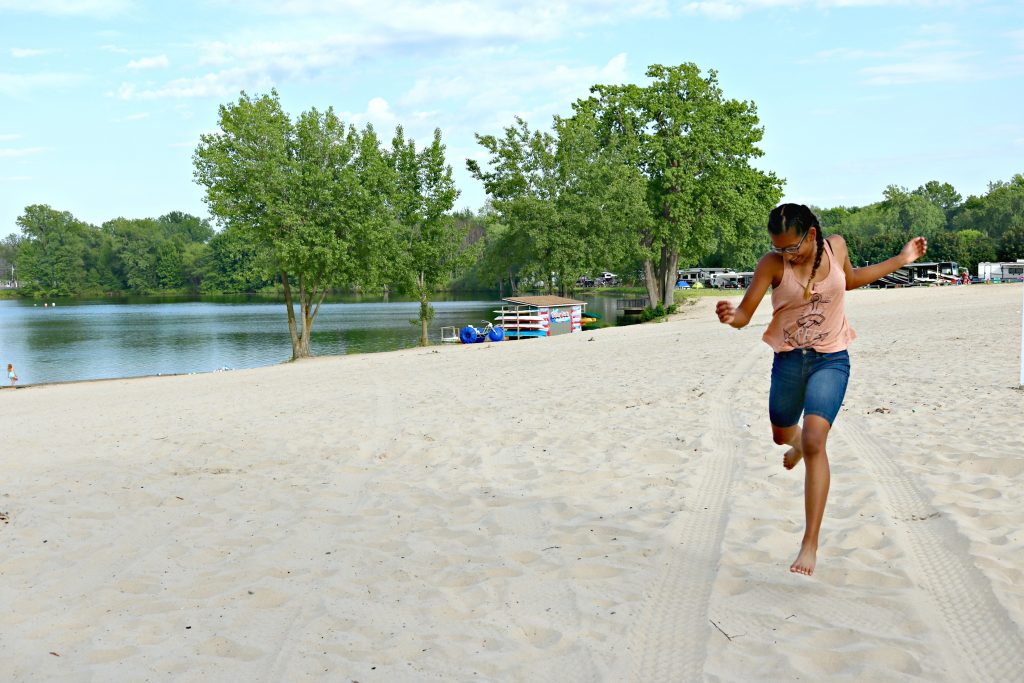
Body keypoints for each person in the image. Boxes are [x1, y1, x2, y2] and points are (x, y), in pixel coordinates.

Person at [715, 203, 927, 576]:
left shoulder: (836, 247)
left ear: (811, 235)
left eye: (791, 248)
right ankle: (795, 443)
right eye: (779, 248)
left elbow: (853, 278)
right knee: (782, 435)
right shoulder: (772, 264)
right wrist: (733, 317)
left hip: (831, 359)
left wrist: (902, 258)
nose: (785, 254)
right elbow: (746, 314)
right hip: (790, 361)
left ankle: (809, 543)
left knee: (815, 439)